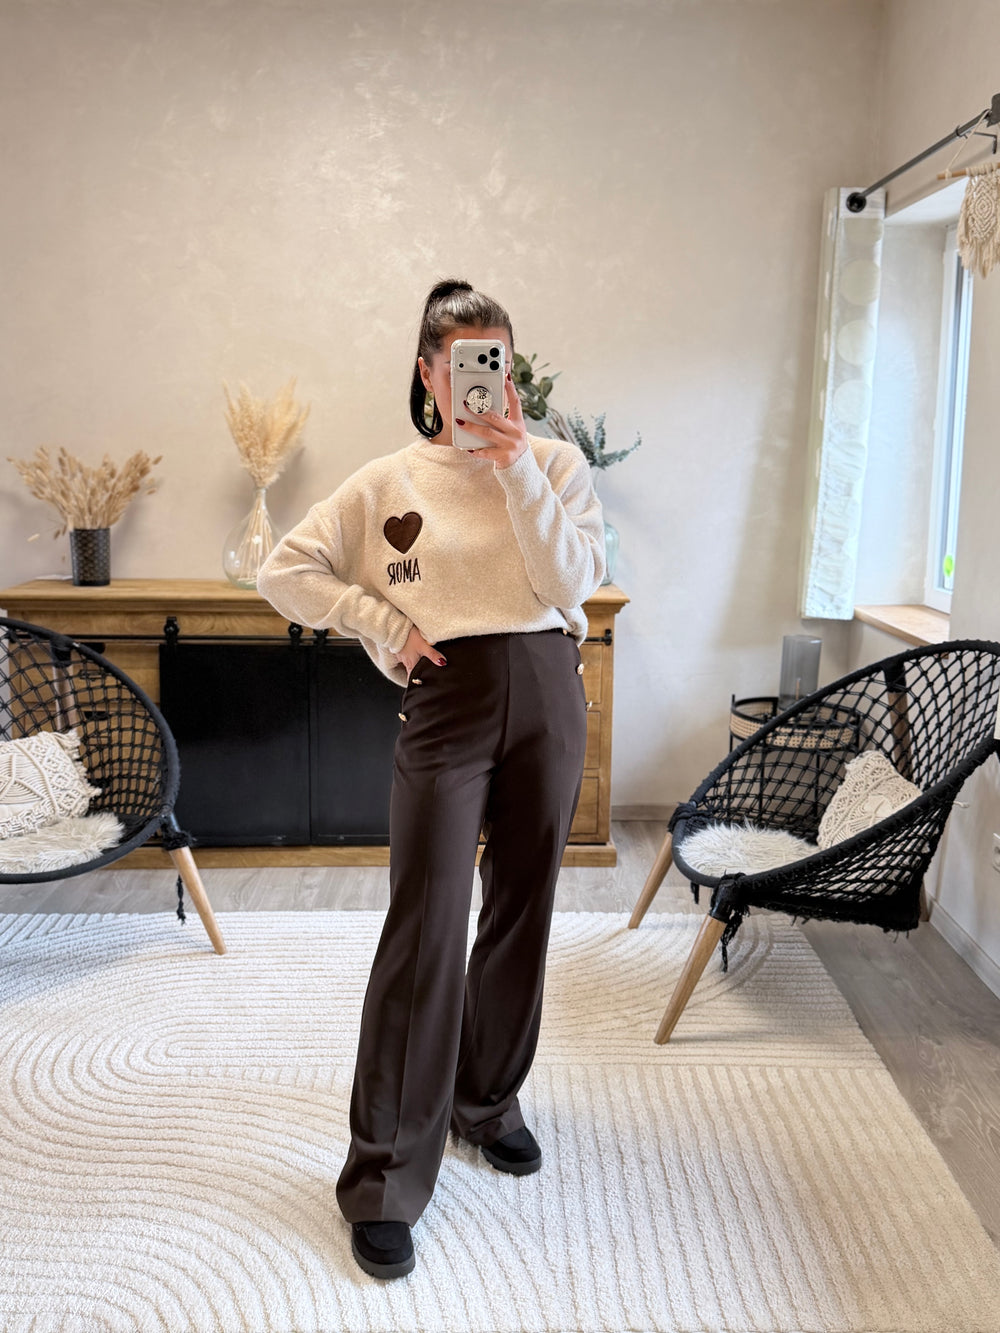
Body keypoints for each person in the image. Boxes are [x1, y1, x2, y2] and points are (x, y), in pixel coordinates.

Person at [255, 278, 606, 1280]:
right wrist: (383, 624)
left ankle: (485, 1101)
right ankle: (382, 1178)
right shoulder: (385, 484)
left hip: (548, 692)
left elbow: (572, 583)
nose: (480, 381)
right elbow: (285, 571)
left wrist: (517, 471)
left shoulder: (555, 464)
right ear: (428, 373)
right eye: (461, 364)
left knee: (523, 907)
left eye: (495, 360)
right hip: (446, 701)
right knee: (426, 920)